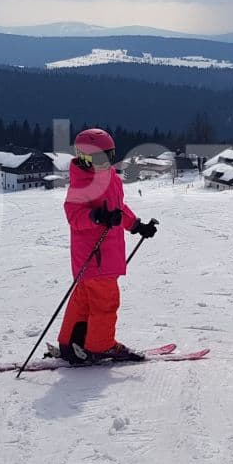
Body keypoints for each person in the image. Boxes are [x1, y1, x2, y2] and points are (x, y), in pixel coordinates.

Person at [57, 127, 157, 364]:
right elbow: (74, 217)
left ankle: (71, 344)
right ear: (84, 158)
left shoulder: (110, 177)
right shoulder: (81, 184)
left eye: (109, 157)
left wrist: (136, 226)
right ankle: (101, 345)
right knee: (105, 302)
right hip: (95, 256)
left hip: (104, 255)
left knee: (84, 300)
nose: (105, 163)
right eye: (99, 158)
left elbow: (118, 209)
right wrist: (96, 217)